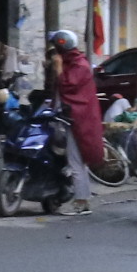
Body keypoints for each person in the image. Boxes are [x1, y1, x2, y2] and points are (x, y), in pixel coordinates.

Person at [48, 30, 106, 217]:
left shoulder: (79, 66)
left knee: (76, 161)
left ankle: (81, 201)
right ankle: (73, 196)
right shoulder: (72, 63)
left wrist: (57, 67)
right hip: (66, 117)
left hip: (77, 119)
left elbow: (67, 86)